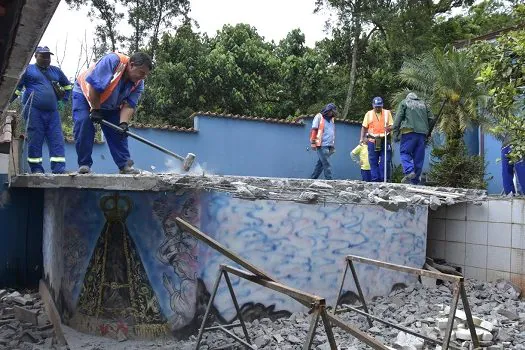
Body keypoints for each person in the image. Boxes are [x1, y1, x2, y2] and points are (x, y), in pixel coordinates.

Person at [72, 51, 152, 174]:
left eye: (146, 75)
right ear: (131, 65)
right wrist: (95, 110)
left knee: (118, 131)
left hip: (110, 103)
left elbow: (129, 105)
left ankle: (125, 166)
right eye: (141, 72)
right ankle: (84, 165)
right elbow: (94, 86)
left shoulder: (139, 83)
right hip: (85, 95)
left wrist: (123, 123)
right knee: (84, 123)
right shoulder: (113, 61)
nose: (143, 77)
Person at [10, 46, 72, 174]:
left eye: (48, 56)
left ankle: (59, 168)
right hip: (34, 110)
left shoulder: (56, 71)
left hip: (53, 112)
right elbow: (17, 89)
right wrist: (6, 102)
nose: (46, 58)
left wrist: (63, 101)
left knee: (56, 138)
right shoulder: (27, 70)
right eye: (43, 56)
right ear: (35, 56)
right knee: (35, 138)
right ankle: (36, 168)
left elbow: (67, 86)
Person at [392, 92, 434, 185]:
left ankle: (409, 170)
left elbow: (398, 119)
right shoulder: (424, 104)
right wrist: (428, 130)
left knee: (404, 152)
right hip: (422, 134)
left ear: (408, 97)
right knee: (418, 158)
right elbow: (431, 118)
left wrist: (395, 133)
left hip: (408, 133)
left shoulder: (405, 102)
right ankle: (415, 182)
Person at [360, 97, 393, 182]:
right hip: (372, 140)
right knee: (373, 161)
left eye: (379, 106)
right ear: (373, 106)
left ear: (382, 105)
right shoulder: (369, 114)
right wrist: (362, 138)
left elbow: (391, 125)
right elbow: (364, 127)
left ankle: (383, 179)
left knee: (385, 160)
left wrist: (389, 128)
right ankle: (375, 180)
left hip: (384, 139)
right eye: (376, 107)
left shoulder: (387, 113)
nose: (378, 108)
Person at [310, 103, 337, 180]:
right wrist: (313, 142)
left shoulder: (332, 119)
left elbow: (331, 132)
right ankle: (330, 180)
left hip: (329, 145)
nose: (332, 113)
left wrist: (332, 145)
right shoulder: (319, 116)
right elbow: (314, 130)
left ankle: (312, 179)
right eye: (331, 111)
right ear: (327, 110)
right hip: (321, 144)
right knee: (326, 163)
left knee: (321, 164)